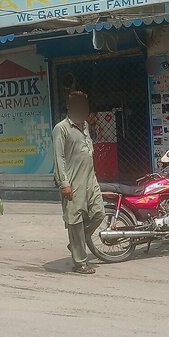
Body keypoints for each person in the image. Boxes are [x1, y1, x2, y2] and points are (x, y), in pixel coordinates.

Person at [52, 91, 105, 274]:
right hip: (72, 182)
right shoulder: (61, 128)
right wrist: (64, 183)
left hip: (90, 179)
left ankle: (76, 243)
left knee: (99, 213)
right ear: (69, 107)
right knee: (75, 221)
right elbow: (58, 158)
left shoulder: (85, 127)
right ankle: (80, 262)